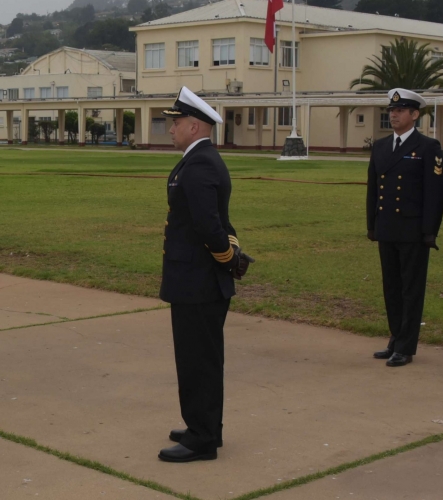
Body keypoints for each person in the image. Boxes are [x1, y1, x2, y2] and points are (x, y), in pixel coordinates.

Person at [158, 87, 253, 463]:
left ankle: (203, 437)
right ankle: (202, 424)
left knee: (200, 360)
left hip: (198, 280)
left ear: (195, 126)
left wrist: (229, 259)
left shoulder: (199, 165)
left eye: (176, 122)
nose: (171, 129)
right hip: (194, 278)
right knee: (196, 358)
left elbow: (209, 225)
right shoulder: (200, 160)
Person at [367, 89, 443, 368]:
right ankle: (396, 338)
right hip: (387, 228)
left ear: (415, 115)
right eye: (392, 110)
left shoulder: (428, 148)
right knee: (391, 287)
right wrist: (372, 225)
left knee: (411, 289)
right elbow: (373, 189)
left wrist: (429, 232)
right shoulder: (380, 146)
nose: (394, 114)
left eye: (400, 111)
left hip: (413, 231)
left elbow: (435, 194)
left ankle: (406, 346)